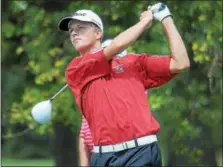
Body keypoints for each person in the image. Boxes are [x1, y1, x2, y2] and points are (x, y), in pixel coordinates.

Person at [58, 2, 190, 166]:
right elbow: (117, 45)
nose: (74, 33)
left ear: (98, 33)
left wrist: (165, 18)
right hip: (102, 157)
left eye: (80, 28)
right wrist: (144, 22)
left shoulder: (133, 62)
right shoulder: (76, 68)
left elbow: (180, 63)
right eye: (71, 30)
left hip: (142, 152)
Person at [78, 39, 128, 166]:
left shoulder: (129, 85)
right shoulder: (93, 88)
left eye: (116, 58)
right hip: (97, 155)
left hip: (120, 154)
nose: (112, 63)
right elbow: (84, 134)